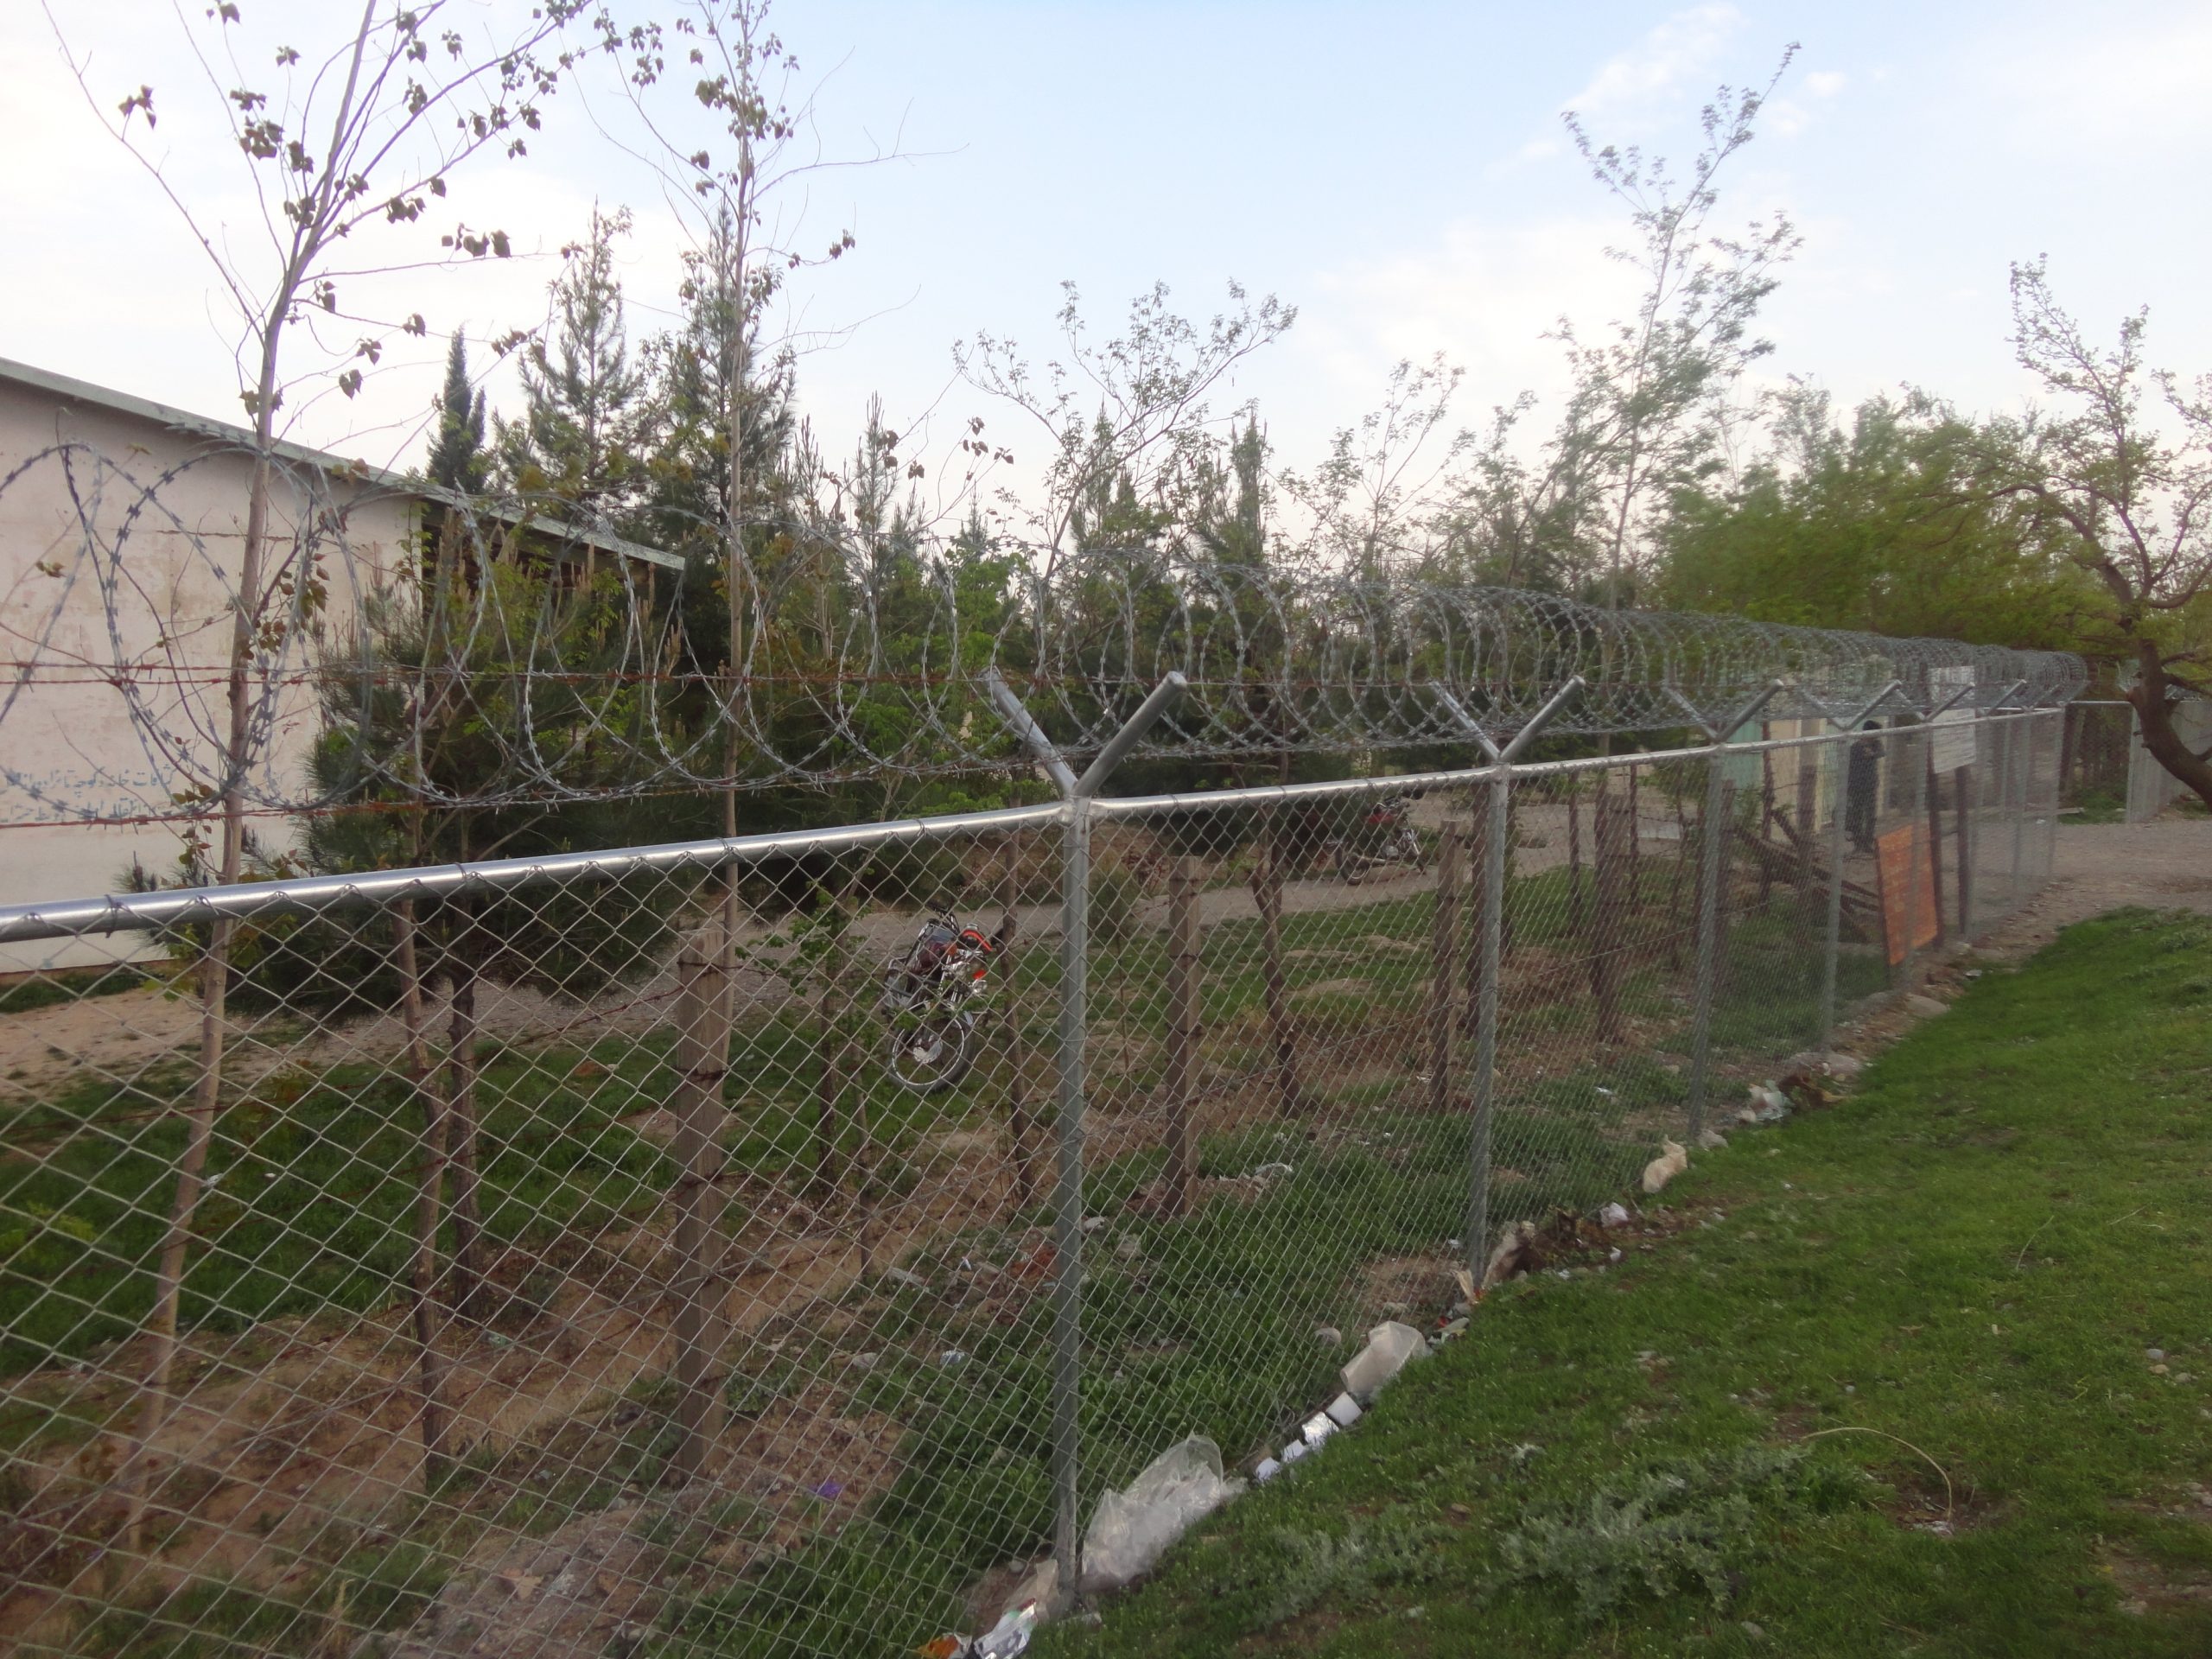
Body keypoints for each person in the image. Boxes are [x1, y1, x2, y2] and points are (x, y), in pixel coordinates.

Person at [1846, 722, 1883, 855]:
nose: (1879, 735)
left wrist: (1871, 752)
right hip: (1856, 785)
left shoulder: (1876, 744)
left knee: (1871, 815)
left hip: (1870, 784)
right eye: (1876, 732)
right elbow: (1850, 767)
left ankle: (1867, 843)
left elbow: (1880, 753)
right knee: (1857, 814)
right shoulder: (1855, 747)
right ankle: (1858, 843)